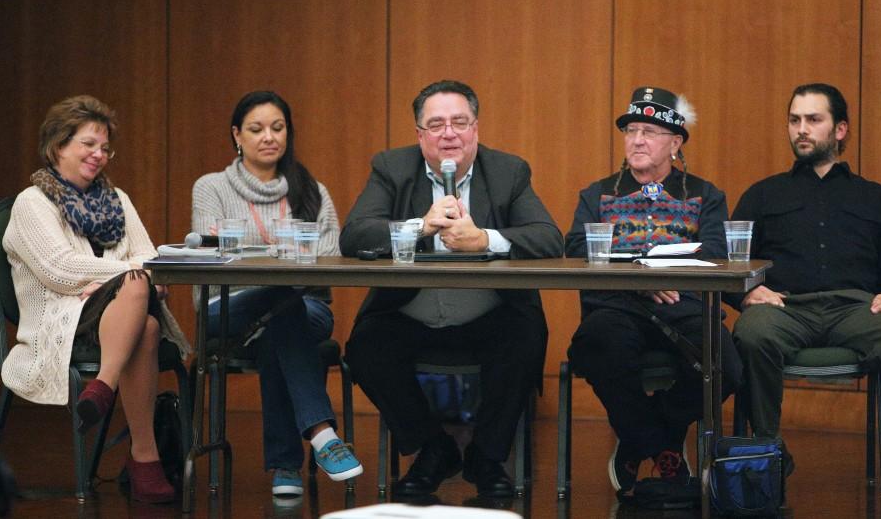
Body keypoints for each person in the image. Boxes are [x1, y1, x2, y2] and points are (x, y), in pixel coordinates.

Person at [730, 83, 881, 509]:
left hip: (857, 308)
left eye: (814, 120)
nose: (802, 130)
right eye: (795, 120)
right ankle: (768, 454)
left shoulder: (878, 198)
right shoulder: (763, 195)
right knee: (750, 332)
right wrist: (746, 292)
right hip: (784, 308)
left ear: (841, 129)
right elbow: (731, 260)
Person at [340, 80, 563, 498]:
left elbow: (549, 238)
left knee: (525, 334)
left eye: (459, 122)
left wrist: (487, 240)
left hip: (488, 317)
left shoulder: (508, 170)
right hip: (410, 315)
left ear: (475, 129)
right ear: (419, 135)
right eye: (436, 124)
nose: (449, 133)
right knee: (367, 345)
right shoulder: (391, 168)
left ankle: (487, 455)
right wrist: (419, 228)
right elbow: (354, 236)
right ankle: (432, 447)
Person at [1, 95, 191, 504]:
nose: (99, 155)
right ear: (58, 147)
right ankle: (144, 461)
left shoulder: (116, 199)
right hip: (63, 322)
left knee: (148, 319)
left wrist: (119, 280)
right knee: (137, 285)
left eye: (105, 147)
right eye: (89, 144)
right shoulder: (32, 203)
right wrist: (122, 276)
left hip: (116, 320)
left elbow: (150, 257)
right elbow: (60, 270)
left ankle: (105, 392)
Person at [564, 86, 743, 504]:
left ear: (675, 143)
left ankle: (645, 435)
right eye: (631, 131)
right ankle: (658, 446)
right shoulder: (597, 194)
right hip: (615, 306)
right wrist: (636, 276)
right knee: (598, 344)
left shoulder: (705, 195)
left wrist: (660, 273)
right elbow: (576, 250)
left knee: (729, 366)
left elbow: (716, 255)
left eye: (649, 131)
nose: (637, 140)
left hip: (682, 305)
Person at [191, 90, 362, 498]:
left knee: (283, 316)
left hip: (307, 307)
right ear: (237, 135)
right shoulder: (211, 187)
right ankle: (319, 437)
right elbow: (212, 254)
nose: (269, 136)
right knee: (282, 301)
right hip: (228, 307)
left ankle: (289, 463)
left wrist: (271, 264)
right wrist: (285, 260)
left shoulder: (311, 189)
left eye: (278, 127)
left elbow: (331, 256)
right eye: (256, 129)